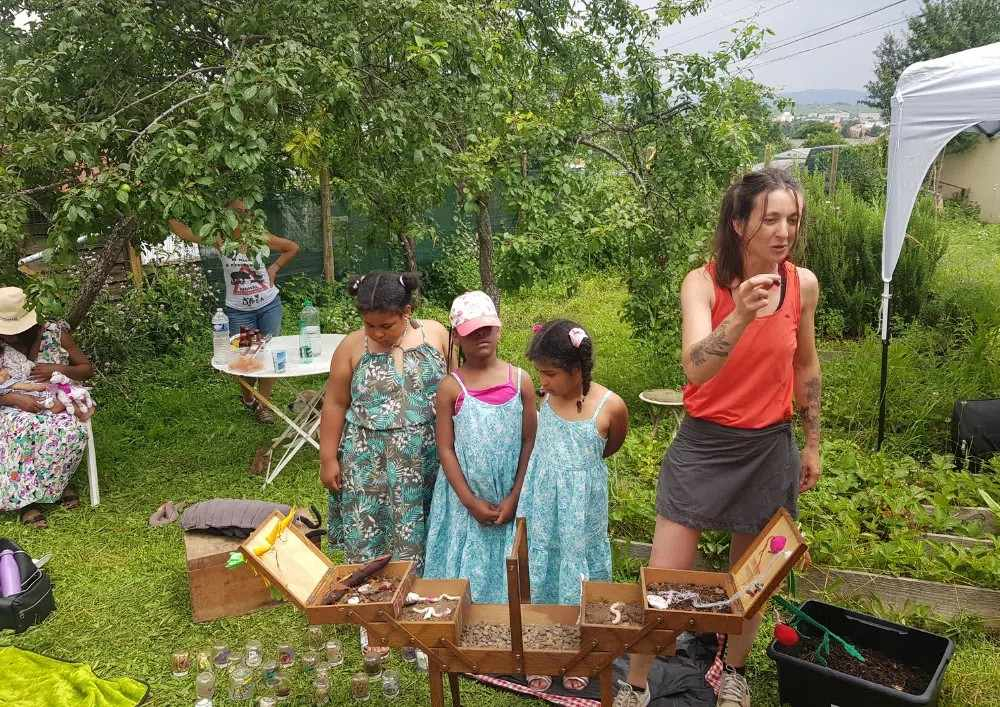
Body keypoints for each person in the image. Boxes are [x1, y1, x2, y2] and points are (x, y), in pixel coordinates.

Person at [614, 169, 821, 707]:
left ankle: (733, 672)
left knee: (751, 580)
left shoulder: (802, 284)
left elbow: (807, 368)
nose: (783, 231)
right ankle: (635, 684)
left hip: (769, 447)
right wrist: (742, 318)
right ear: (738, 223)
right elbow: (695, 367)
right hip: (704, 446)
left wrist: (813, 441)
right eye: (769, 218)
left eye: (792, 219)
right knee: (666, 578)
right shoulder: (701, 283)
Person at [516, 319, 629, 692]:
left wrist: (578, 477)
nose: (542, 382)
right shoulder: (544, 401)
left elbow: (609, 447)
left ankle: (583, 651)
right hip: (544, 504)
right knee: (544, 567)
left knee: (581, 568)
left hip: (582, 509)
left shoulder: (610, 407)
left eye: (549, 374)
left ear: (576, 370)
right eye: (540, 374)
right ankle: (545, 648)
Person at [318, 272, 450, 570]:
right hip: (368, 462)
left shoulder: (436, 335)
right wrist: (328, 457)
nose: (377, 333)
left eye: (386, 326)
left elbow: (457, 389)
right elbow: (335, 403)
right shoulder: (351, 347)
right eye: (370, 325)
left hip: (425, 458)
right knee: (371, 532)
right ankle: (374, 599)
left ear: (407, 311)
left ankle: (426, 593)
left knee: (424, 526)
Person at [423, 291, 537, 602]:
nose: (481, 337)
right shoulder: (450, 387)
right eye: (471, 332)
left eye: (486, 329)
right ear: (457, 339)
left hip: (510, 496)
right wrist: (470, 501)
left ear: (499, 329)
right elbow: (445, 448)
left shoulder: (521, 382)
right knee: (462, 577)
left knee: (511, 572)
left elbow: (530, 441)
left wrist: (515, 495)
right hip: (463, 502)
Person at [168, 199, 299, 424]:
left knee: (267, 353)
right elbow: (184, 232)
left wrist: (274, 268)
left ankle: (264, 406)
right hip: (241, 312)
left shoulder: (259, 237)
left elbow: (292, 247)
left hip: (268, 306)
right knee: (246, 360)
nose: (241, 216)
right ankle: (249, 397)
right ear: (226, 217)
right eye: (236, 213)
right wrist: (165, 204)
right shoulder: (220, 238)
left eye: (244, 212)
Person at [0, 286, 94, 528]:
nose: (11, 336)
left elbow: (86, 368)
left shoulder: (55, 333)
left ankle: (58, 483)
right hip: (10, 403)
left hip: (57, 402)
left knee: (69, 432)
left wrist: (60, 370)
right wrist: (13, 399)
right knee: (22, 429)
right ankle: (26, 502)